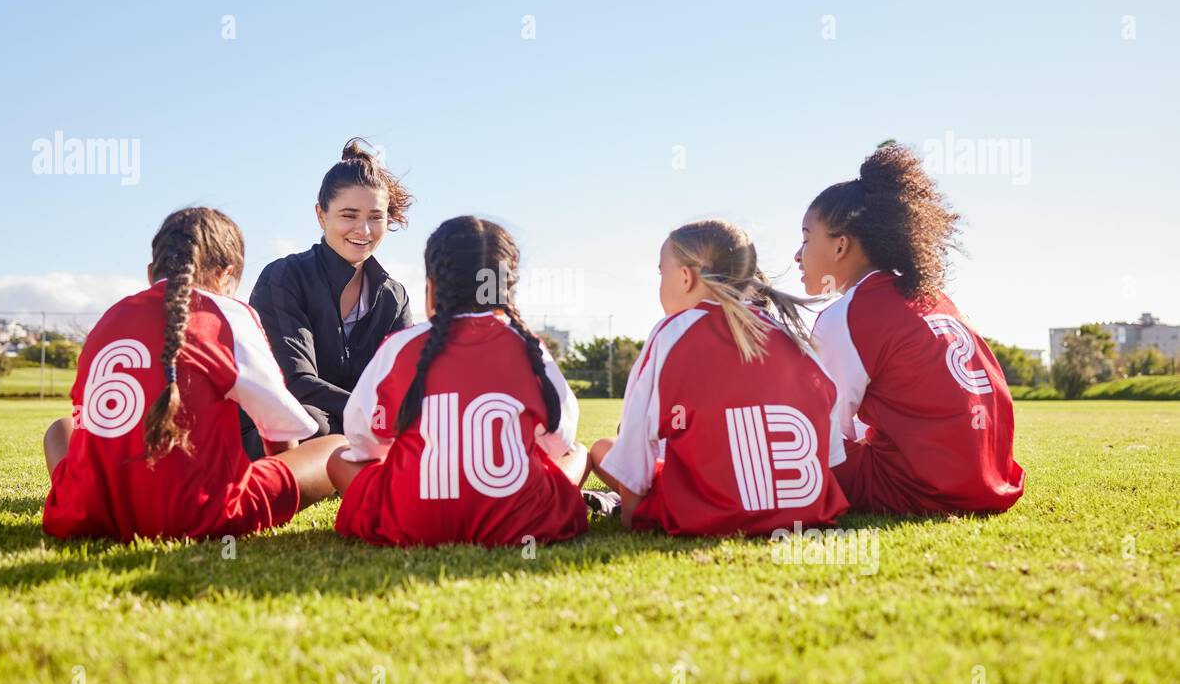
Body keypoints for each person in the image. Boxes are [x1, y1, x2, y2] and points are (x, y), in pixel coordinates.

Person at [42, 207, 346, 542]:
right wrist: (278, 490)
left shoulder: (109, 318)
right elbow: (280, 430)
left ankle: (82, 498)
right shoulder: (228, 314)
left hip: (91, 515)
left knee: (60, 429)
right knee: (337, 445)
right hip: (194, 516)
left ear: (149, 274)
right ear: (225, 275)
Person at [324, 216, 591, 546]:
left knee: (338, 458)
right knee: (579, 453)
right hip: (521, 524)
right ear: (508, 290)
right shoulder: (529, 348)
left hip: (414, 523)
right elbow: (561, 440)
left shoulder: (401, 346)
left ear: (432, 285)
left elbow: (362, 440)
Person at [796, 143, 1025, 514]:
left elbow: (824, 430)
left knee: (793, 433)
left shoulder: (848, 316)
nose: (797, 255)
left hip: (917, 491)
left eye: (807, 239)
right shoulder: (933, 298)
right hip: (991, 481)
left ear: (840, 246)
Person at [588, 219, 849, 535]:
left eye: (661, 273)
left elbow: (633, 454)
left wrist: (633, 519)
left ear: (686, 277)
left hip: (710, 516)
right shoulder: (794, 337)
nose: (660, 285)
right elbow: (831, 454)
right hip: (806, 512)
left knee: (605, 447)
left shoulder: (674, 332)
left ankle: (612, 502)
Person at [242, 138, 414, 454]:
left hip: (364, 429)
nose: (364, 230)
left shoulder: (394, 297)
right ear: (321, 216)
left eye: (376, 217)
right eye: (349, 215)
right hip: (290, 422)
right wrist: (373, 417)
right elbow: (294, 382)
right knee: (308, 424)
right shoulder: (283, 277)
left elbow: (401, 385)